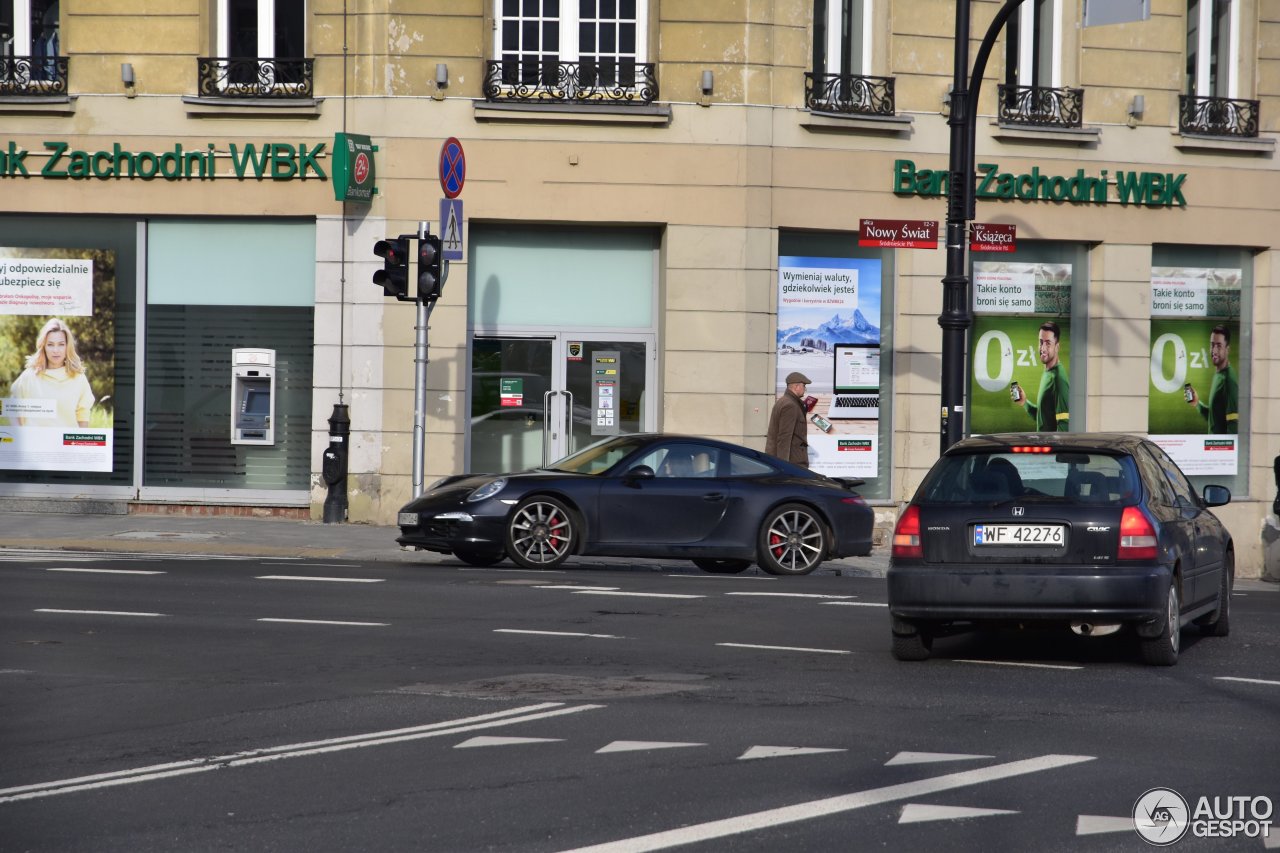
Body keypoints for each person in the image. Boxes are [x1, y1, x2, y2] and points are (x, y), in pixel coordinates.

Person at [8, 317, 95, 428]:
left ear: (67, 347)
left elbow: (83, 415)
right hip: (36, 444)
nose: (55, 350)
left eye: (61, 344)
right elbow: (10, 406)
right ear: (43, 347)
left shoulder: (78, 378)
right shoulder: (30, 376)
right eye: (50, 344)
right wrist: (19, 434)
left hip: (66, 443)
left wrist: (80, 443)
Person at [1011, 321, 1069, 431]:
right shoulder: (1048, 373)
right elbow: (1043, 418)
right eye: (1041, 342)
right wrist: (1024, 402)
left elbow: (1064, 426)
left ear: (1057, 347)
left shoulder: (1058, 379)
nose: (1042, 348)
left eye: (1048, 343)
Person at [1186, 324, 1238, 434]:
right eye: (1212, 345)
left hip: (1220, 450)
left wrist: (1224, 450)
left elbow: (1233, 425)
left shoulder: (1228, 380)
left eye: (1219, 345)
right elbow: (1214, 417)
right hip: (1213, 448)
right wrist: (1197, 403)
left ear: (1227, 349)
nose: (1213, 350)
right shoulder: (1218, 375)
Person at [765, 371, 811, 467]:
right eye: (804, 386)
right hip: (793, 463)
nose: (805, 389)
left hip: (791, 462)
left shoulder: (784, 401)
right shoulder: (790, 405)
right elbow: (784, 438)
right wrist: (784, 466)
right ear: (796, 387)